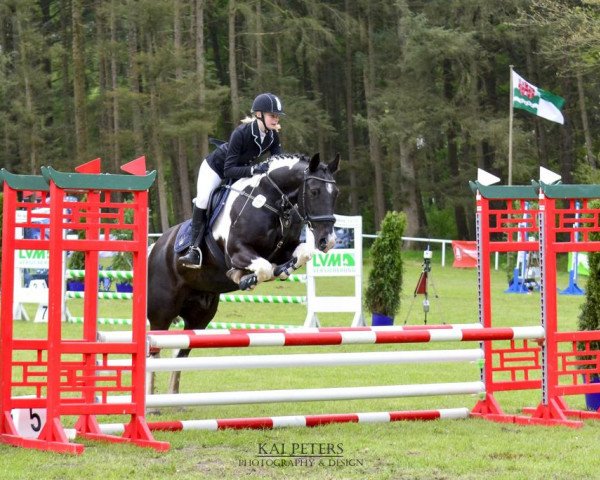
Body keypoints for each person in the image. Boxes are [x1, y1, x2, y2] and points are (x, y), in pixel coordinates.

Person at [178, 92, 285, 269]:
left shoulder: (272, 136)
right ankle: (193, 249)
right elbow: (228, 170)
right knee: (204, 200)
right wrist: (253, 170)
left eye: (277, 116)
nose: (276, 119)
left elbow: (277, 161)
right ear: (259, 115)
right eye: (272, 115)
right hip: (216, 168)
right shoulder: (241, 133)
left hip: (240, 172)